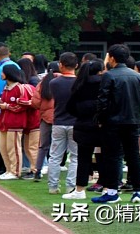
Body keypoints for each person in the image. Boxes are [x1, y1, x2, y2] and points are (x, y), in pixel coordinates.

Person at [93, 44, 140, 204]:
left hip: (113, 122)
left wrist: (101, 119)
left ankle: (112, 191)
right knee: (133, 156)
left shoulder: (109, 76)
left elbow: (103, 100)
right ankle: (137, 190)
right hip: (133, 121)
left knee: (112, 156)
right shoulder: (137, 76)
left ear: (112, 58)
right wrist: (138, 115)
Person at [62, 59, 105, 200]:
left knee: (83, 159)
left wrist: (82, 114)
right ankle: (109, 189)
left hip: (83, 125)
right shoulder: (106, 82)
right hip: (103, 125)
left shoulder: (80, 84)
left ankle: (80, 190)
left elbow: (70, 106)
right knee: (108, 158)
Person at [46, 52, 79, 194]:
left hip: (59, 121)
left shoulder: (54, 83)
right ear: (76, 65)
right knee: (75, 156)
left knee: (55, 156)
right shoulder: (79, 82)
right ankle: (71, 185)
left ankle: (53, 186)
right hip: (75, 122)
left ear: (60, 64)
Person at [0, 64, 32, 180]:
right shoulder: (6, 88)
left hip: (15, 123)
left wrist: (6, 106)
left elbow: (22, 106)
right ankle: (8, 169)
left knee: (13, 148)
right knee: (3, 147)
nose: (1, 75)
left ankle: (15, 171)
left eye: (3, 72)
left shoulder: (19, 88)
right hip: (4, 122)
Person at [0, 43, 20, 175]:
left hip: (4, 105)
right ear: (9, 53)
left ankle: (3, 166)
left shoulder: (2, 70)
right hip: (13, 103)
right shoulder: (15, 65)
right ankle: (1, 164)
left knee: (5, 136)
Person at [31, 62, 59, 181]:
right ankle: (54, 173)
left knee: (43, 146)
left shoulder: (43, 83)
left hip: (45, 118)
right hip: (61, 117)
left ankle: (38, 170)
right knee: (59, 148)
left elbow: (35, 102)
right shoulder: (65, 80)